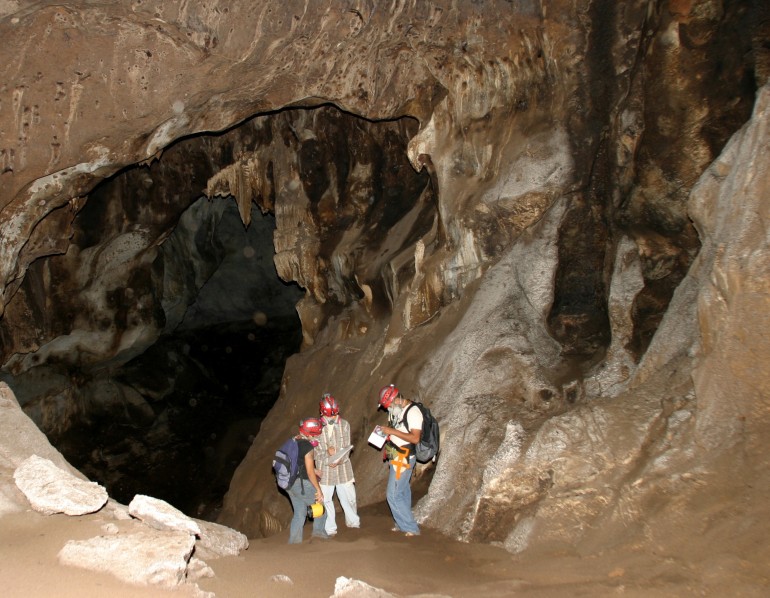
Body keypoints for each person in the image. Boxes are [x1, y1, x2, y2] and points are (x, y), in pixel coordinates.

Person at [376, 384, 423, 537]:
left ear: (396, 399)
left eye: (389, 405)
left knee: (393, 494)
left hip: (403, 457)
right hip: (396, 455)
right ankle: (402, 522)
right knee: (402, 490)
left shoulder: (413, 412)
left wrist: (392, 431)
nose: (388, 409)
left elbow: (415, 438)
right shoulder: (399, 411)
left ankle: (410, 527)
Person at [316, 393, 360, 536]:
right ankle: (330, 529)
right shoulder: (317, 428)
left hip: (343, 469)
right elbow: (316, 452)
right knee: (326, 500)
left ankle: (353, 523)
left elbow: (347, 447)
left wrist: (340, 459)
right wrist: (327, 454)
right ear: (322, 413)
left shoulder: (344, 424)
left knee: (349, 497)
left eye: (334, 416)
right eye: (329, 416)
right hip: (326, 471)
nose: (332, 419)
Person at [286, 417, 329, 544]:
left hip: (288, 484)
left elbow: (297, 462)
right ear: (312, 434)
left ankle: (294, 543)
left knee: (300, 513)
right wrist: (318, 490)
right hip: (301, 484)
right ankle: (318, 536)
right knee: (320, 508)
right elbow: (310, 473)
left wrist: (314, 470)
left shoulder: (293, 441)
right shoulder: (307, 446)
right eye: (316, 434)